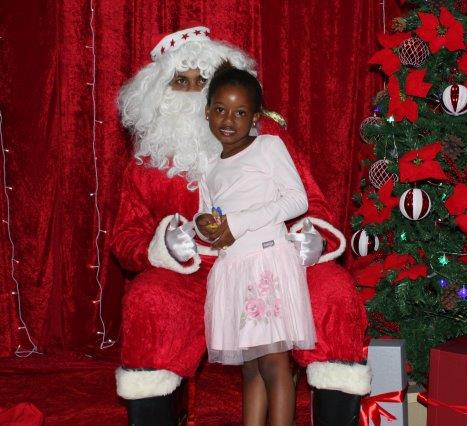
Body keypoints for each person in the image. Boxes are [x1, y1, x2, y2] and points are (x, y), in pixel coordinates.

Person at [112, 26, 369, 425]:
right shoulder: (148, 162)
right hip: (195, 274)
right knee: (150, 301)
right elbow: (126, 236)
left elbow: (307, 200)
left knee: (333, 292)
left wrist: (312, 236)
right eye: (181, 81)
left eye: (202, 80)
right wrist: (165, 244)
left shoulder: (268, 138)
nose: (193, 91)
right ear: (159, 92)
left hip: (270, 259)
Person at [197, 66, 316, 425]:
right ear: (207, 111)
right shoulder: (209, 167)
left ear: (254, 117)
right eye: (220, 109)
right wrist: (204, 225)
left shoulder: (267, 147)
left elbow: (297, 200)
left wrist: (238, 222)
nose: (228, 120)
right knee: (250, 368)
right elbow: (210, 215)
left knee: (274, 364)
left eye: (240, 112)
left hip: (266, 263)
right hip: (234, 270)